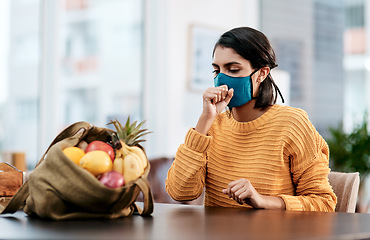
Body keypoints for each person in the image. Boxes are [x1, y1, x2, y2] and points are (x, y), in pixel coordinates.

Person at [165, 26, 337, 211]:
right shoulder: (212, 126)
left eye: (232, 69)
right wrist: (205, 120)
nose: (222, 79)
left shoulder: (292, 124)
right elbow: (179, 192)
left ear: (261, 74)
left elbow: (323, 204)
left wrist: (262, 201)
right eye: (217, 71)